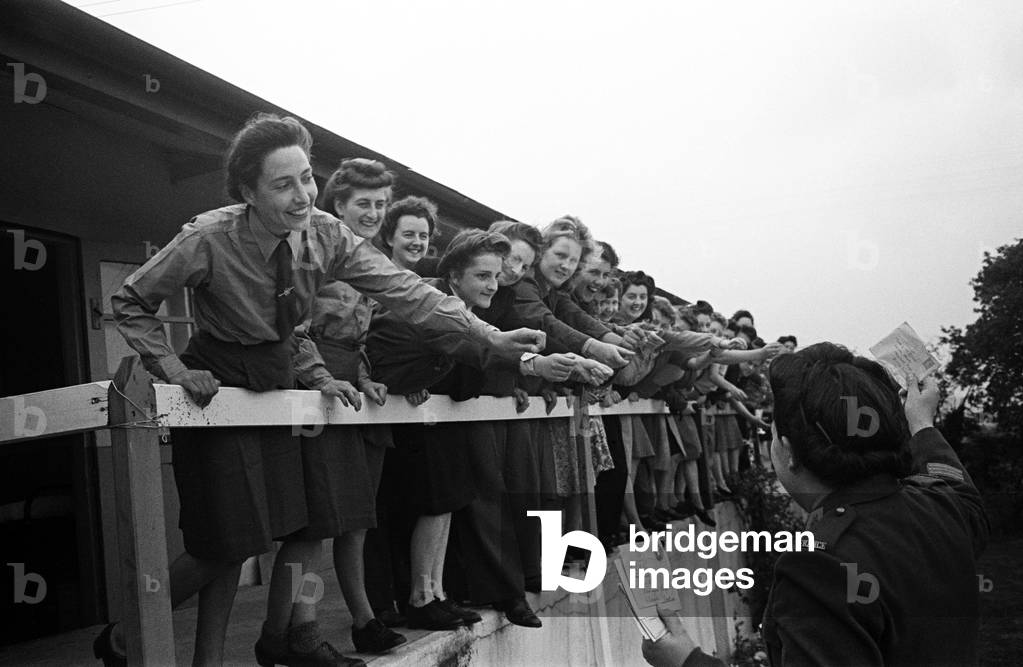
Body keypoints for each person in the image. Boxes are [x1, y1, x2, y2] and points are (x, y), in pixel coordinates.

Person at [103, 113, 544, 667]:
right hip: (217, 383)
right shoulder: (208, 238)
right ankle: (127, 637)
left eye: (307, 178)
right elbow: (130, 301)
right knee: (224, 543)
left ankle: (253, 646)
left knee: (289, 530)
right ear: (248, 192)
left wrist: (492, 339)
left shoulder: (327, 235)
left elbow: (409, 293)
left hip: (281, 385)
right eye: (283, 184)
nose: (303, 195)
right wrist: (171, 367)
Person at [641, 343, 988, 667]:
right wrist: (922, 424)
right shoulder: (941, 506)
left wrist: (688, 660)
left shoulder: (820, 568)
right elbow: (959, 489)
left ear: (789, 452)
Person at [366, 229, 579, 631]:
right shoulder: (434, 301)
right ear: (454, 276)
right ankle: (419, 598)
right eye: (483, 276)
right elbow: (468, 346)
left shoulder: (463, 308)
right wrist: (534, 365)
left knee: (445, 502)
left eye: (496, 276)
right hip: (389, 417)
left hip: (422, 415)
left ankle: (434, 595)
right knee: (426, 507)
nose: (494, 285)